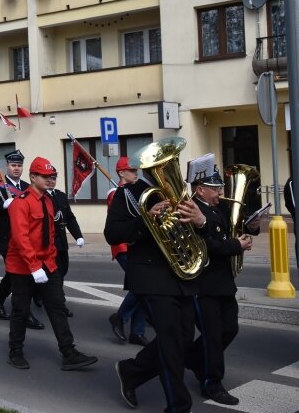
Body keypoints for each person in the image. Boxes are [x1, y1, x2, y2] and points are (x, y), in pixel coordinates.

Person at [105, 155, 207, 412]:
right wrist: (146, 218)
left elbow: (201, 229)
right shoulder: (129, 194)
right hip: (151, 276)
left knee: (183, 339)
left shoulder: (183, 194)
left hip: (181, 275)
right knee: (171, 342)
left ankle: (131, 371)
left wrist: (201, 221)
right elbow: (112, 233)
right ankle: (178, 406)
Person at [6, 156, 97, 371]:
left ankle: (68, 352)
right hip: (22, 267)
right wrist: (34, 266)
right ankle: (15, 351)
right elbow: (21, 238)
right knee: (20, 310)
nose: (50, 180)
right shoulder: (21, 203)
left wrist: (51, 260)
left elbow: (51, 232)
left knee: (57, 307)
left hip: (46, 262)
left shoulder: (48, 200)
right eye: (45, 176)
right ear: (33, 177)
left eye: (52, 176)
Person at [186, 164, 255, 406]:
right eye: (216, 188)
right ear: (201, 189)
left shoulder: (217, 208)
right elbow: (208, 246)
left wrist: (250, 227)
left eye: (221, 187)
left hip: (223, 282)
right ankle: (212, 383)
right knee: (213, 337)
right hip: (204, 284)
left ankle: (193, 358)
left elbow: (228, 230)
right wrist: (237, 246)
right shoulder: (191, 209)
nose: (220, 192)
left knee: (230, 329)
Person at [0, 150, 45, 329]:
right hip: (6, 238)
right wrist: (4, 205)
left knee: (13, 276)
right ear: (7, 167)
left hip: (25, 237)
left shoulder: (27, 186)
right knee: (18, 276)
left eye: (19, 165)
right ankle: (25, 315)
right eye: (13, 165)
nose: (16, 168)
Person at [107, 157, 149, 346]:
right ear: (121, 173)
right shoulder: (115, 194)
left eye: (135, 170)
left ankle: (137, 331)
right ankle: (121, 317)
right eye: (131, 170)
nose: (136, 173)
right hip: (123, 246)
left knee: (140, 287)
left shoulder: (137, 189)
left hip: (137, 244)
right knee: (141, 285)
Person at [46, 167, 85, 317]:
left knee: (63, 270)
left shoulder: (61, 196)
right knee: (56, 276)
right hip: (49, 243)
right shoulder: (42, 197)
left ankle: (40, 294)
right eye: (48, 178)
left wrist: (78, 236)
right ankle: (60, 305)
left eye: (54, 178)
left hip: (61, 242)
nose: (51, 181)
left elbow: (69, 218)